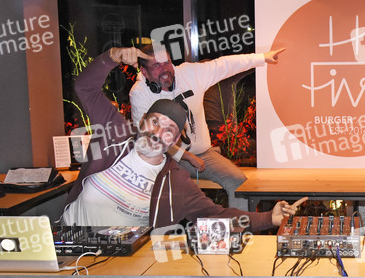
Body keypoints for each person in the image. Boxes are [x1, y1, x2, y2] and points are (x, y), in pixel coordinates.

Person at [62, 47, 304, 230]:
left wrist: (268, 218)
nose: (158, 133)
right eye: (155, 122)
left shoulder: (175, 183)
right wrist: (112, 56)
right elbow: (85, 88)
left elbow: (216, 216)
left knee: (236, 179)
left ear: (175, 139)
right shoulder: (115, 135)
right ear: (142, 120)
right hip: (70, 240)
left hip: (119, 260)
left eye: (169, 130)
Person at [129, 44, 285, 210]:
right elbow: (149, 139)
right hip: (164, 158)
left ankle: (239, 225)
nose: (165, 69)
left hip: (203, 154)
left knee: (238, 182)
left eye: (166, 62)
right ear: (144, 71)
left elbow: (224, 65)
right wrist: (186, 156)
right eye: (156, 65)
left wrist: (262, 58)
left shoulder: (190, 74)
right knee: (167, 191)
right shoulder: (139, 93)